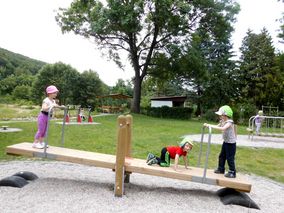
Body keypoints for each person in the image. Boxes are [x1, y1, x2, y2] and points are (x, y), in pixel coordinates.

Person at [204, 105, 237, 178]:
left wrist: (210, 126)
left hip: (231, 144)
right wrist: (208, 125)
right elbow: (218, 126)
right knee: (222, 156)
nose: (220, 116)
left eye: (221, 115)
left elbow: (223, 128)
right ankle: (221, 169)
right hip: (226, 142)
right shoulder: (222, 121)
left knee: (230, 158)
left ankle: (232, 172)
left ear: (225, 115)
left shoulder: (229, 122)